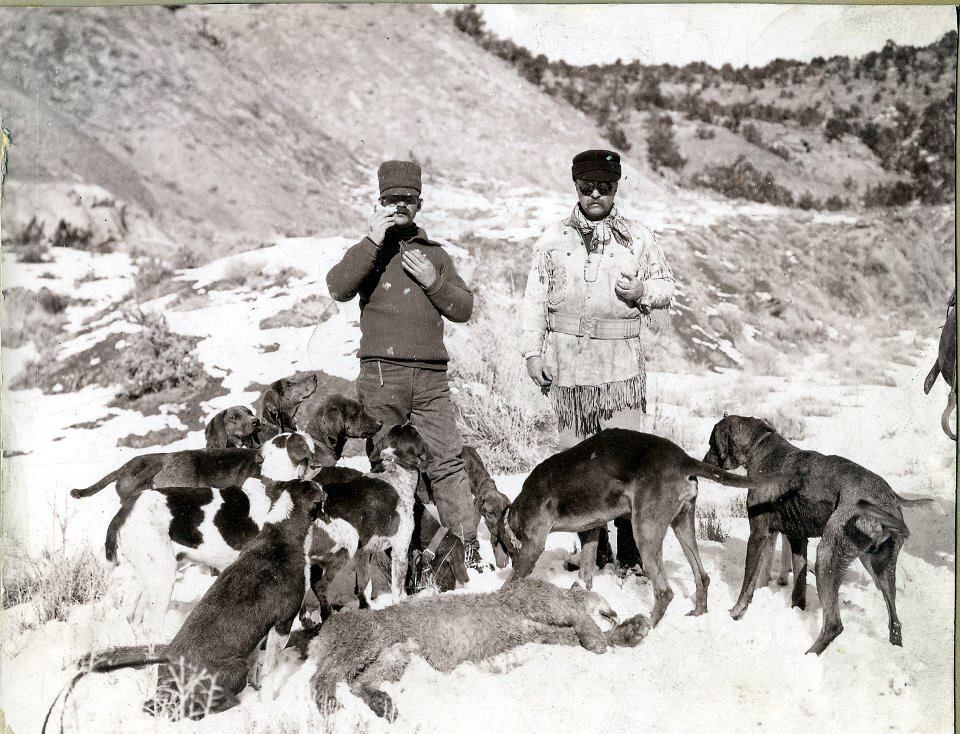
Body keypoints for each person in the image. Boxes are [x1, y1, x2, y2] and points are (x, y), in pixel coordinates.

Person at [519, 149, 676, 571]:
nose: (594, 195)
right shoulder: (552, 239)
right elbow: (534, 302)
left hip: (619, 371)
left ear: (615, 188)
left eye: (603, 188)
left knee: (626, 463)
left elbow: (667, 288)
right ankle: (593, 549)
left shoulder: (640, 238)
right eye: (586, 188)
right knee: (577, 464)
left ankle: (631, 551)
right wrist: (533, 353)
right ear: (575, 187)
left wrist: (643, 292)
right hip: (569, 372)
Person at [326, 160, 484, 570]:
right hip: (382, 376)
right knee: (386, 465)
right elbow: (338, 287)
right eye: (390, 199)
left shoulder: (436, 255)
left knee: (447, 460)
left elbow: (464, 308)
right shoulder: (367, 252)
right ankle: (389, 564)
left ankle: (468, 551)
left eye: (407, 200)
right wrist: (371, 242)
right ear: (378, 202)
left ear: (419, 204)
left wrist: (434, 281)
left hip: (432, 378)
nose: (399, 207)